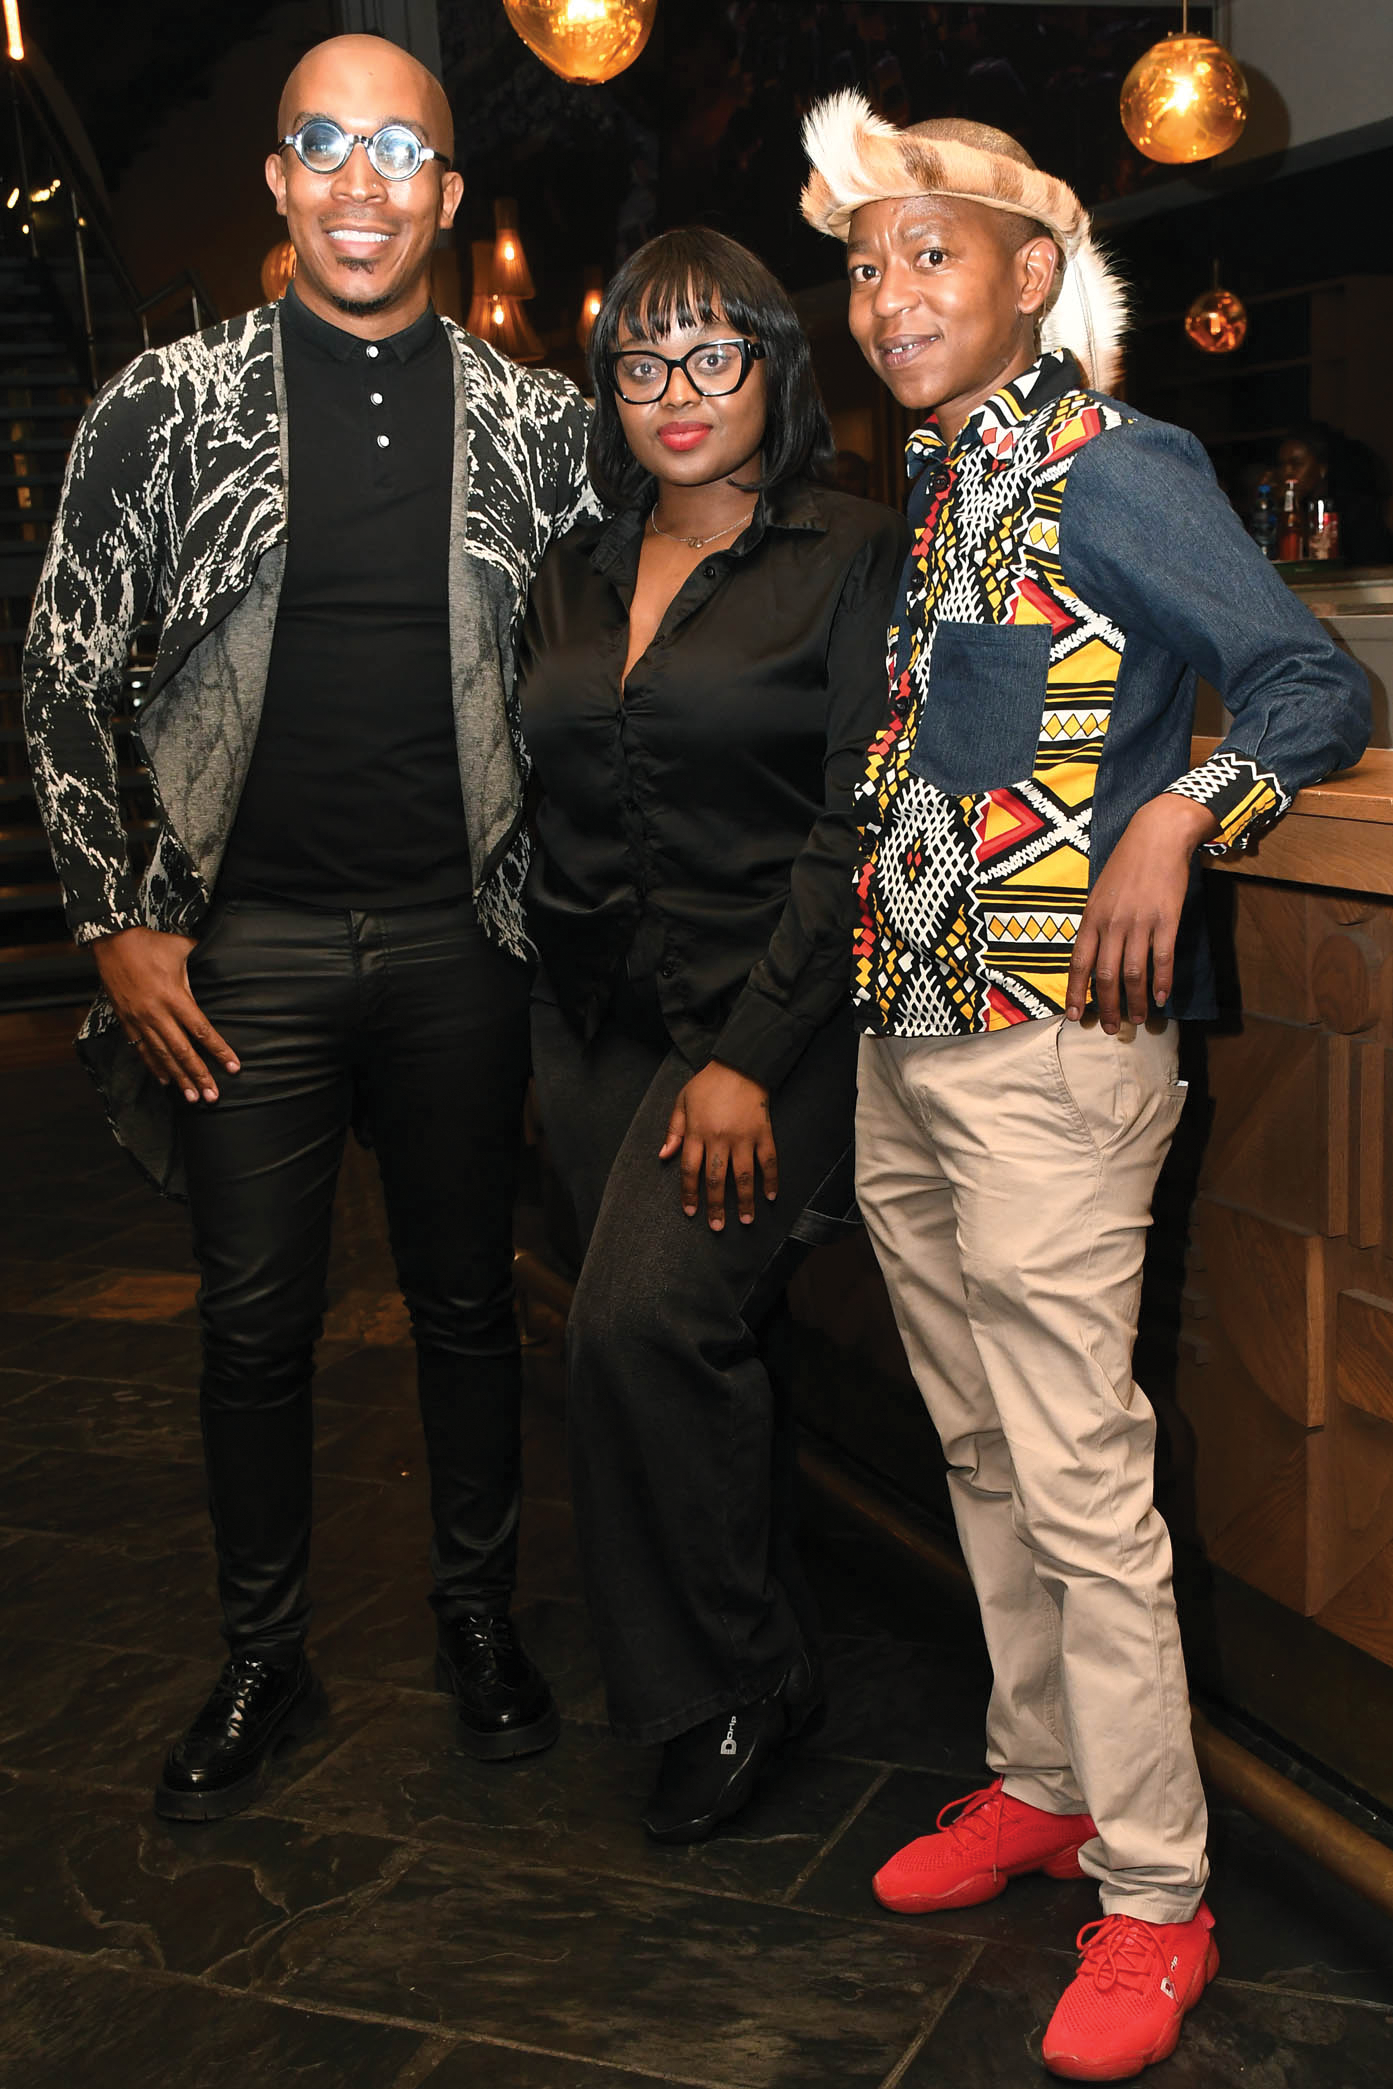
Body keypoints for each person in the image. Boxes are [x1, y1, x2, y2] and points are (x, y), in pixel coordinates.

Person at [799, 94, 1369, 2081]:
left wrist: (1184, 814)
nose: (888, 294)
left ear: (1033, 272)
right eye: (864, 264)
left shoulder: (1117, 462)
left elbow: (1313, 682)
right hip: (910, 1035)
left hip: (1052, 1046)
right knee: (979, 1449)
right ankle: (1042, 1780)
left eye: (930, 253)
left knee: (1076, 1477)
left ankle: (1158, 1894)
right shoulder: (941, 473)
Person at [22, 33, 596, 1821]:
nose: (362, 181)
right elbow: (60, 670)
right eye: (324, 144)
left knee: (469, 1310)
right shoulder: (163, 405)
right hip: (239, 952)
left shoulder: (541, 426)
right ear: (277, 179)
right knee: (252, 1328)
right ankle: (264, 1655)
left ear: (447, 192)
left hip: (463, 941)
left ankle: (477, 1618)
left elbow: (629, 656)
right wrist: (114, 925)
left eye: (400, 150)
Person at [517, 227, 908, 1843]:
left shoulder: (853, 550)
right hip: (591, 1020)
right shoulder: (573, 568)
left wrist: (746, 1052)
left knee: (642, 1323)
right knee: (670, 1344)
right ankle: (755, 1646)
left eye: (711, 353)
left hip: (773, 1023)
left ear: (772, 367)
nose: (675, 391)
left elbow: (858, 821)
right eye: (640, 361)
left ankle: (737, 1682)